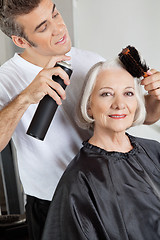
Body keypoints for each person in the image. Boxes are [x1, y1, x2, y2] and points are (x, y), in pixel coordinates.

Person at [0, 0, 159, 239]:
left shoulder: (90, 61)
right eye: (43, 27)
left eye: (56, 14)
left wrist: (156, 98)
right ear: (21, 41)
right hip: (53, 202)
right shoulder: (6, 80)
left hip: (107, 192)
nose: (59, 28)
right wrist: (24, 98)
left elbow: (136, 116)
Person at [42, 60, 160, 240]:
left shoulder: (154, 150)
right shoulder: (79, 179)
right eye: (106, 94)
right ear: (89, 106)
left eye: (128, 93)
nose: (119, 104)